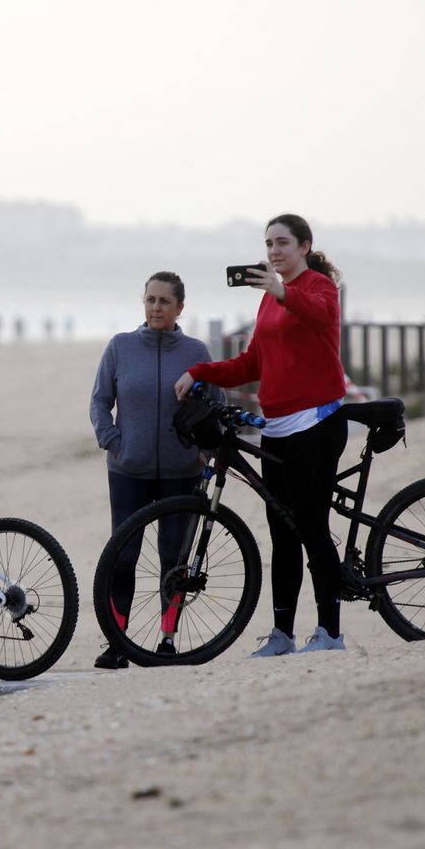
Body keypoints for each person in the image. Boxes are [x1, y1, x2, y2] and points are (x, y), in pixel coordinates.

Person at [176, 214, 349, 656]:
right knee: (283, 532)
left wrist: (281, 290)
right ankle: (282, 635)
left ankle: (330, 633)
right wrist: (200, 371)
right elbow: (253, 362)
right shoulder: (270, 300)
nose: (274, 251)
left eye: (283, 243)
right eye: (269, 243)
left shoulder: (317, 287)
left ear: (304, 247)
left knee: (312, 527)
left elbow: (321, 316)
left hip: (316, 422)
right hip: (277, 426)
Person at [89, 272, 218, 669]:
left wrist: (204, 453)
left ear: (180, 307)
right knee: (123, 556)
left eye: (164, 301)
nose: (156, 307)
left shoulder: (196, 351)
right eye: (151, 300)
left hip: (182, 472)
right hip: (129, 470)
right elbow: (99, 401)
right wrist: (113, 442)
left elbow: (215, 405)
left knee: (174, 558)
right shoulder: (121, 346)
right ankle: (117, 644)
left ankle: (168, 639)